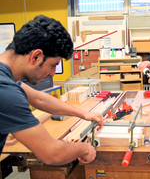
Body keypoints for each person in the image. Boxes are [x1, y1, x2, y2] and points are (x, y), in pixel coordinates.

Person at [0, 15, 104, 165]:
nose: (52, 73)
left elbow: (39, 99)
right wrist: (84, 148)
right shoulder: (5, 90)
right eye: (53, 65)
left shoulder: (6, 78)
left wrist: (83, 114)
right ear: (36, 56)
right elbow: (53, 153)